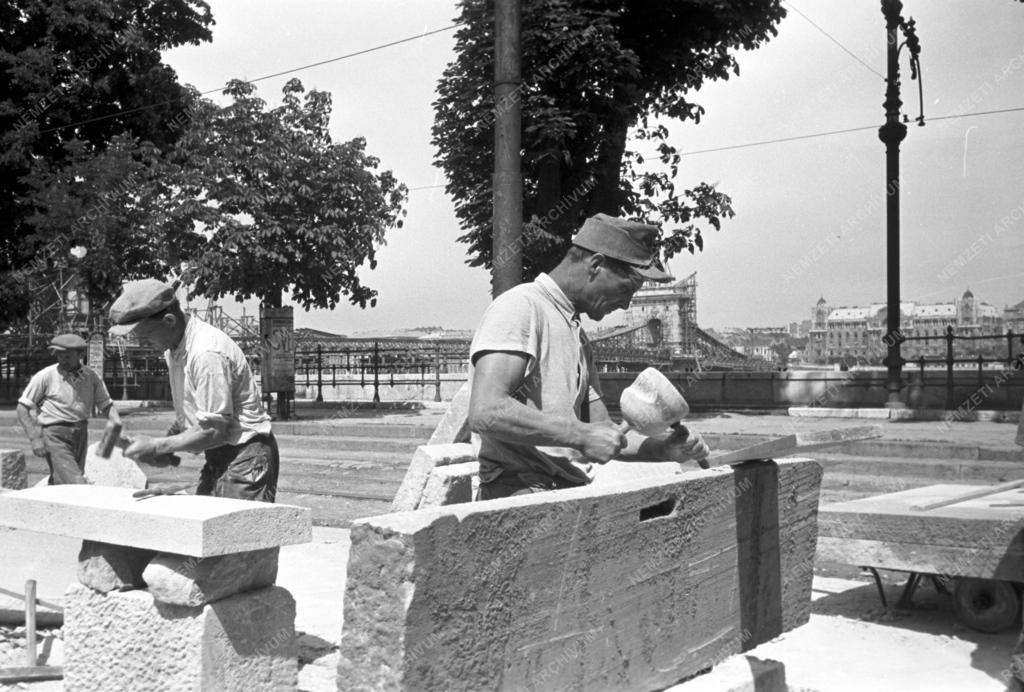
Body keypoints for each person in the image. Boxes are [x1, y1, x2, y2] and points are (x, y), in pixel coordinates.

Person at [468, 213, 709, 500]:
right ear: (596, 265)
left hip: (565, 492)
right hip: (518, 492)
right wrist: (579, 435)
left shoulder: (578, 335)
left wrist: (664, 449)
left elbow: (603, 431)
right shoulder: (521, 307)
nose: (626, 304)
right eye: (625, 289)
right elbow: (486, 411)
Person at [107, 279, 279, 502]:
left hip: (245, 455)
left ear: (169, 320)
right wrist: (168, 446)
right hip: (219, 452)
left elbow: (214, 430)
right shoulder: (174, 349)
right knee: (207, 526)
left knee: (233, 531)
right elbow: (193, 411)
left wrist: (157, 446)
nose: (143, 344)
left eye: (146, 337)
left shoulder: (206, 353)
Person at [16, 333, 121, 484]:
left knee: (63, 482)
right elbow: (22, 408)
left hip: (80, 432)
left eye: (67, 356)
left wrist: (117, 428)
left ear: (80, 355)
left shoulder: (92, 376)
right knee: (75, 481)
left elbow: (106, 405)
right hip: (54, 433)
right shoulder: (45, 376)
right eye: (59, 355)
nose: (62, 360)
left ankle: (51, 505)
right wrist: (35, 438)